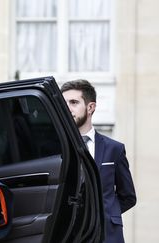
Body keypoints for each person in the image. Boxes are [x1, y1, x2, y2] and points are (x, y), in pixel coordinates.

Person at [61, 79, 136, 243]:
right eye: (63, 102)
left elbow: (128, 196)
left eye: (73, 102)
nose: (67, 108)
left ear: (90, 107)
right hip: (70, 236)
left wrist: (106, 215)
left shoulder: (114, 149)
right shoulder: (56, 149)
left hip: (108, 235)